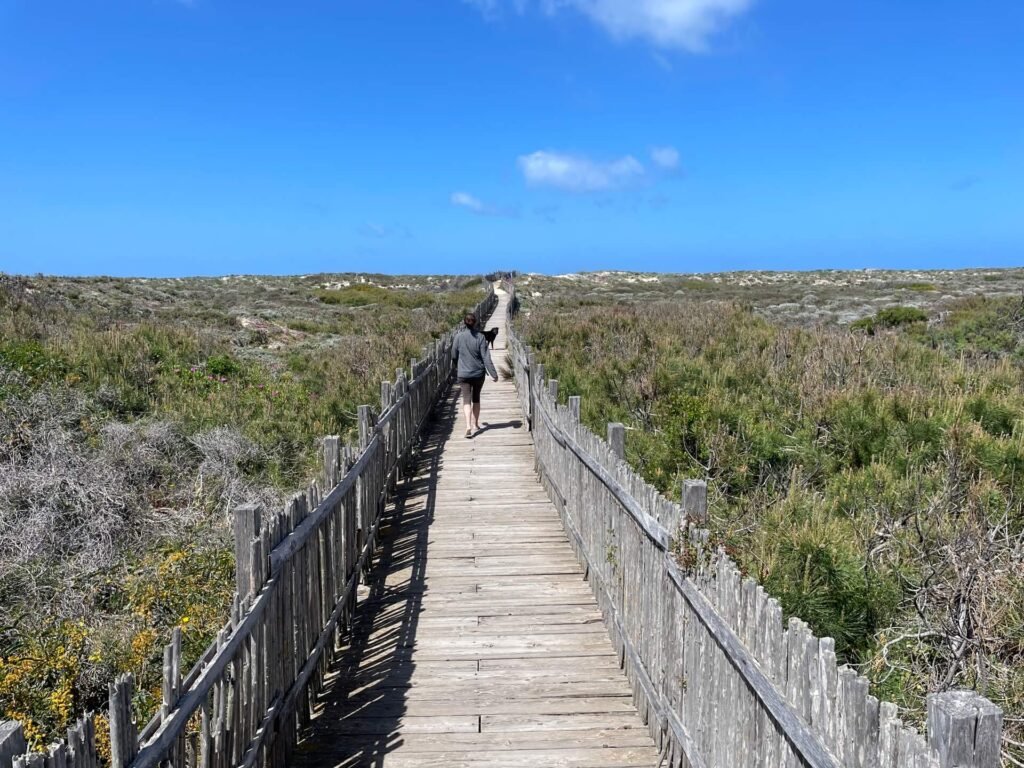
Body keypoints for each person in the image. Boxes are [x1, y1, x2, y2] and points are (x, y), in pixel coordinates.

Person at [452, 312, 498, 438]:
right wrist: (494, 374)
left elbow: (454, 355)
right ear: (475, 322)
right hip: (478, 373)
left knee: (466, 400)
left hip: (463, 374)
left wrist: (458, 366)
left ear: (464, 322)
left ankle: (467, 426)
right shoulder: (481, 337)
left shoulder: (458, 337)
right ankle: (475, 424)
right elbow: (486, 357)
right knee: (476, 398)